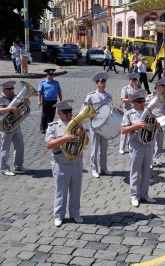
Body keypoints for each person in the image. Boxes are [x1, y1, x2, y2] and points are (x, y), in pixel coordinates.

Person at [45, 99, 88, 227]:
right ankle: (59, 215)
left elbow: (86, 142)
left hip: (76, 162)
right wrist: (64, 138)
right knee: (61, 192)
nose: (68, 114)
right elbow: (48, 144)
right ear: (59, 113)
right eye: (65, 112)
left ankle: (75, 214)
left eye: (69, 111)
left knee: (76, 191)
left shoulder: (77, 125)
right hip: (61, 163)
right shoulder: (53, 126)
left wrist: (82, 135)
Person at [121, 89, 160, 207]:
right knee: (135, 171)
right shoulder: (129, 114)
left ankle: (144, 194)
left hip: (147, 144)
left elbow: (153, 127)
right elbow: (123, 130)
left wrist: (156, 126)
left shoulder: (149, 114)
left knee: (146, 171)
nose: (143, 103)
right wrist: (136, 125)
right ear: (134, 102)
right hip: (135, 144)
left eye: (143, 101)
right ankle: (134, 195)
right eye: (140, 101)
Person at [85, 72, 113, 178]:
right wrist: (90, 115)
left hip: (105, 126)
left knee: (104, 148)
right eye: (101, 81)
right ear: (97, 83)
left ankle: (104, 168)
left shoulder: (108, 96)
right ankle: (94, 168)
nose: (103, 83)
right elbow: (85, 109)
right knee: (94, 148)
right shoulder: (91, 96)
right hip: (95, 125)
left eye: (104, 81)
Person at [0, 81, 29, 176]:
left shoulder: (16, 96)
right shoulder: (1, 98)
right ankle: (4, 168)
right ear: (4, 90)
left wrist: (27, 102)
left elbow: (24, 106)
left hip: (16, 125)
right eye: (9, 90)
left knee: (20, 145)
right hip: (5, 127)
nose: (11, 91)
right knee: (5, 148)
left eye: (12, 89)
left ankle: (18, 165)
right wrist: (10, 108)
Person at [146, 78, 165, 167]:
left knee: (159, 142)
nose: (164, 88)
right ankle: (149, 161)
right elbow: (145, 108)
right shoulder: (150, 97)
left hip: (161, 121)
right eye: (163, 86)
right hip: (153, 120)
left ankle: (157, 159)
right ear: (157, 87)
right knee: (151, 142)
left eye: (164, 86)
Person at [119, 72, 141, 154]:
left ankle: (130, 145)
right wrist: (132, 100)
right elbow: (123, 99)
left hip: (135, 111)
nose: (134, 81)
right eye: (132, 80)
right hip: (127, 111)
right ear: (129, 80)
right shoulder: (125, 89)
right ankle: (121, 147)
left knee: (134, 129)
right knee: (125, 129)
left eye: (135, 80)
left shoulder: (137, 89)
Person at [38, 69, 63, 134]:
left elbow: (59, 92)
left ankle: (49, 127)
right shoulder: (43, 83)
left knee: (52, 115)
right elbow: (39, 93)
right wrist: (39, 101)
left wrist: (61, 101)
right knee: (45, 114)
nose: (50, 76)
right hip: (46, 100)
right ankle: (42, 128)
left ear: (53, 76)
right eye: (49, 75)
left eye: (52, 75)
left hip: (54, 101)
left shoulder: (56, 83)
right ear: (47, 75)